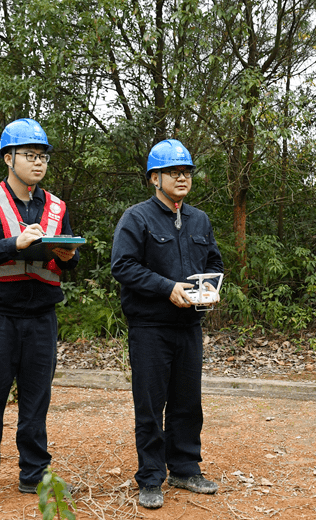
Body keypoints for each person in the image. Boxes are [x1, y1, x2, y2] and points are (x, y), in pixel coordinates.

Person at [0, 118, 80, 506]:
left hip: (42, 316)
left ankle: (34, 473)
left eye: (43, 155)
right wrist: (14, 242)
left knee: (36, 399)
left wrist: (68, 256)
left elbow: (66, 264)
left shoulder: (57, 206)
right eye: (30, 155)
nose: (38, 162)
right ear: (8, 158)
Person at [111, 139, 223, 509]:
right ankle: (151, 477)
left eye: (187, 171)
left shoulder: (199, 220)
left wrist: (210, 290)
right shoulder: (136, 218)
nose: (182, 177)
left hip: (189, 326)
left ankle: (186, 468)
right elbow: (123, 267)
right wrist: (166, 288)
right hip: (150, 328)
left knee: (187, 401)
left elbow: (215, 264)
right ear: (154, 178)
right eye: (174, 171)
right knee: (150, 404)